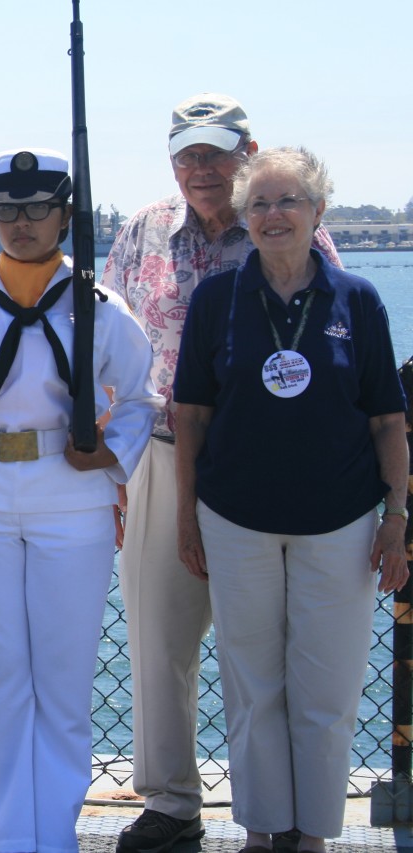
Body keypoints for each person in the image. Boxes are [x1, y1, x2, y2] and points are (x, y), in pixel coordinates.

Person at [102, 93, 342, 853]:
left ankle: (272, 812)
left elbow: (336, 342)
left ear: (248, 152)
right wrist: (113, 463)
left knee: (260, 650)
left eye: (215, 152)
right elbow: (105, 344)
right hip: (159, 455)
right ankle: (171, 801)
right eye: (187, 153)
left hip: (256, 467)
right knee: (158, 641)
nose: (200, 168)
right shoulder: (141, 230)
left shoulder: (288, 227)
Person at [0, 149, 160, 853]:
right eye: (6, 210)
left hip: (70, 498)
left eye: (36, 209)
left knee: (61, 682)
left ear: (64, 216)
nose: (20, 223)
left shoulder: (99, 305)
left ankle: (52, 837)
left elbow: (140, 397)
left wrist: (109, 455)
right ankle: (5, 839)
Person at [173, 146, 408, 853]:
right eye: (260, 204)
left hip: (340, 522)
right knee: (252, 685)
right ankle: (261, 828)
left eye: (288, 201)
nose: (273, 215)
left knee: (327, 689)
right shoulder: (216, 299)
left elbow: (388, 421)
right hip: (235, 519)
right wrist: (185, 514)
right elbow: (191, 416)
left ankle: (312, 836)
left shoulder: (357, 299)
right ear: (245, 217)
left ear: (318, 211)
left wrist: (396, 516)